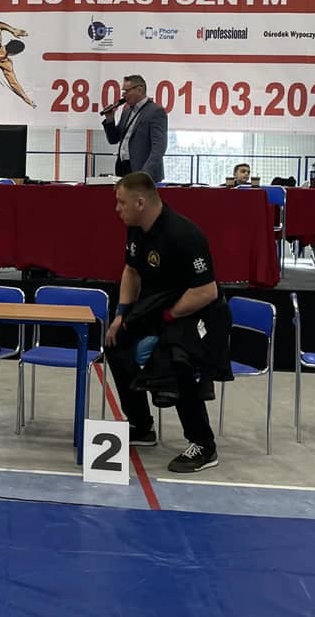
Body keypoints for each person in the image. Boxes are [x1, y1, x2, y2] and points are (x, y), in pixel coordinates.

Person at [105, 172, 226, 474]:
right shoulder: (136, 229)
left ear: (140, 202)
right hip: (159, 308)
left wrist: (170, 318)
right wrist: (121, 314)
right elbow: (132, 271)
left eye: (121, 202)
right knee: (117, 345)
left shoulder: (184, 234)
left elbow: (206, 291)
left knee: (175, 356)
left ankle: (203, 444)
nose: (117, 209)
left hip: (197, 312)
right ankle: (141, 426)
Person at [101, 74, 167, 182]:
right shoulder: (127, 111)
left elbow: (159, 148)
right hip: (123, 168)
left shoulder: (155, 111)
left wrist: (145, 173)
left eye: (126, 91)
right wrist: (110, 119)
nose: (123, 95)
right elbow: (113, 139)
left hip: (142, 170)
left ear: (139, 90)